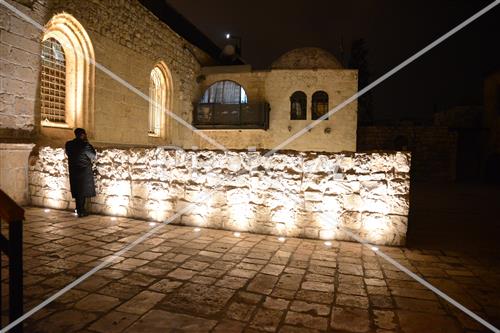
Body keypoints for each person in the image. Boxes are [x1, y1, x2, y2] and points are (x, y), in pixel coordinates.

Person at [65, 128, 96, 217]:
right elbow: (93, 155)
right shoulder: (85, 145)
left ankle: (78, 209)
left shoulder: (69, 144)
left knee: (77, 191)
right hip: (84, 171)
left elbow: (68, 153)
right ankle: (81, 210)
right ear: (83, 135)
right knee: (82, 191)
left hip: (73, 170)